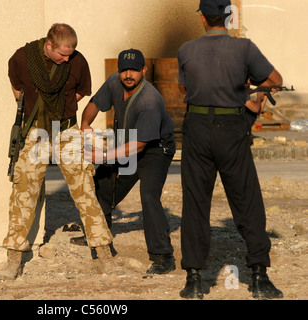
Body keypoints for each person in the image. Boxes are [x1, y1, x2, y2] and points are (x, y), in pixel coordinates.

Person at [177, 0, 284, 299]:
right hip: (231, 128)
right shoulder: (244, 47)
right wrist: (249, 86)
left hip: (197, 126)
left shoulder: (186, 49)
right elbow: (275, 80)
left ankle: (194, 280)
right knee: (247, 200)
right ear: (227, 16)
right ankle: (260, 277)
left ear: (202, 18)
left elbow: (185, 89)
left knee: (196, 202)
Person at [0, 23, 116, 280]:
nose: (67, 59)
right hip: (34, 133)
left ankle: (104, 255)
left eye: (70, 53)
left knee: (85, 189)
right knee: (23, 193)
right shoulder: (21, 58)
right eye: (62, 54)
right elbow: (18, 92)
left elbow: (77, 95)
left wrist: (57, 110)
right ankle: (13, 259)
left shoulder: (77, 61)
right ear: (49, 45)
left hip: (66, 131)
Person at [72, 48, 177, 275]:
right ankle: (99, 234)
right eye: (124, 70)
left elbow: (140, 145)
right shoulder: (114, 82)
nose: (129, 74)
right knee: (101, 184)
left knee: (149, 196)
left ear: (144, 70)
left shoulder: (150, 100)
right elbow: (94, 104)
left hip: (155, 149)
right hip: (127, 143)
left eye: (134, 70)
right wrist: (85, 124)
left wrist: (103, 156)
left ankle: (162, 256)